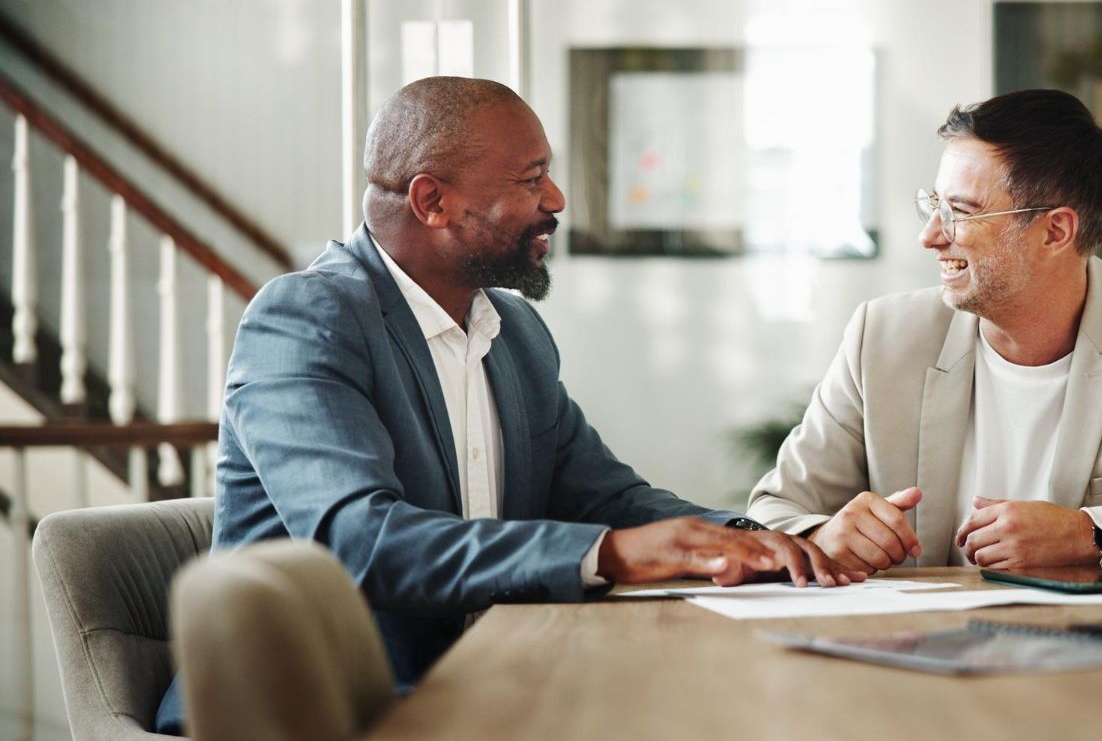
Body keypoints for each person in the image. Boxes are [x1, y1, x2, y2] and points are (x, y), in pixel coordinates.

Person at [156, 77, 857, 734]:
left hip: (484, 682)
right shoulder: (308, 318)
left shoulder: (513, 331)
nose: (555, 197)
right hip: (328, 708)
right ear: (432, 202)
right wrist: (608, 554)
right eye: (530, 179)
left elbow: (604, 496)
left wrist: (764, 542)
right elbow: (356, 539)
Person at [747, 89, 1102, 575]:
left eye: (961, 211)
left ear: (1055, 232)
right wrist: (824, 531)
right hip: (916, 665)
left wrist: (1094, 531)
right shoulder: (883, 335)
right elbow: (774, 509)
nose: (930, 235)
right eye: (933, 204)